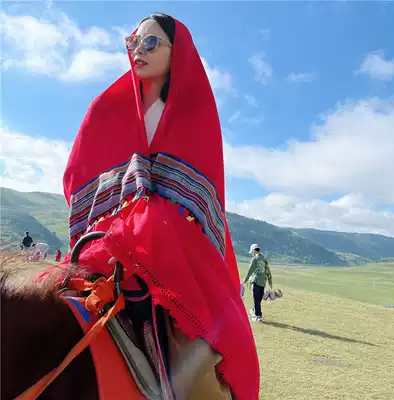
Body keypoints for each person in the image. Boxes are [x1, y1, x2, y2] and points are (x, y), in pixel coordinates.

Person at [38, 13, 258, 399]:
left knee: (209, 338)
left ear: (177, 53)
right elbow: (79, 171)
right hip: (113, 229)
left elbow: (199, 190)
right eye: (134, 41)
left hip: (172, 235)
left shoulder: (194, 112)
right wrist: (124, 208)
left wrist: (152, 215)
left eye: (151, 42)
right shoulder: (107, 107)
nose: (138, 49)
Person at [242, 244, 273, 323]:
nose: (252, 253)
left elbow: (250, 270)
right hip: (263, 282)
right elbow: (267, 271)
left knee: (256, 300)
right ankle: (254, 310)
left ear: (254, 250)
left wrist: (245, 280)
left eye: (252, 251)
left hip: (256, 281)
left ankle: (258, 316)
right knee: (258, 299)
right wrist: (269, 281)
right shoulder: (264, 258)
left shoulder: (255, 259)